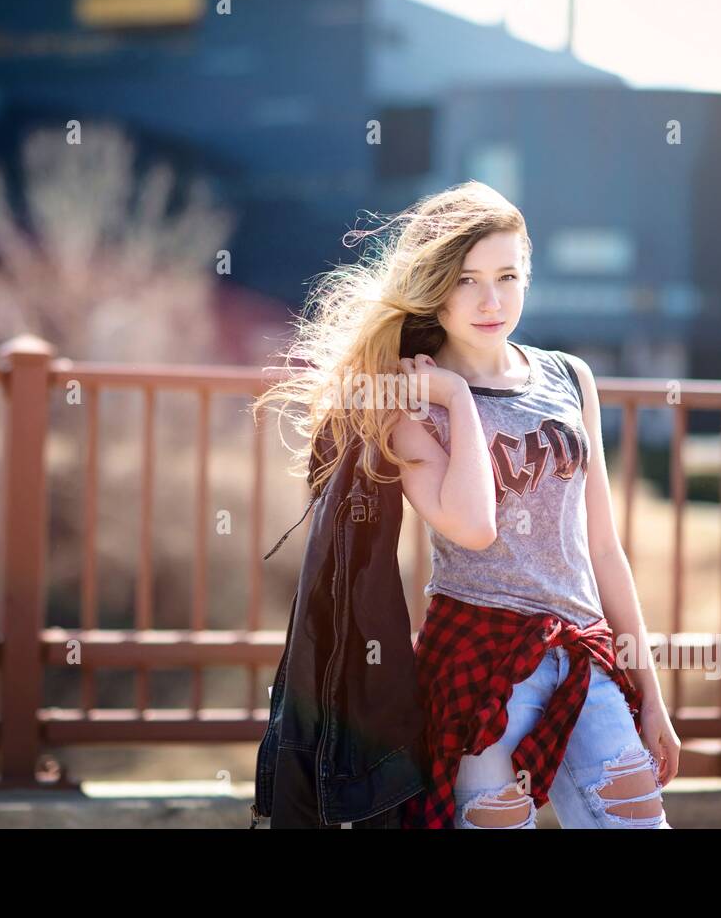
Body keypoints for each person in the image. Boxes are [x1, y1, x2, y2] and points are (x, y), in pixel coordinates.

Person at [252, 180, 680, 828]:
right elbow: (475, 527)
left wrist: (650, 695)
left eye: (507, 276)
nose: (490, 299)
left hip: (581, 653)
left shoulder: (569, 377)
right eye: (467, 280)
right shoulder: (410, 405)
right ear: (436, 287)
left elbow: (602, 548)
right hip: (478, 662)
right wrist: (454, 396)